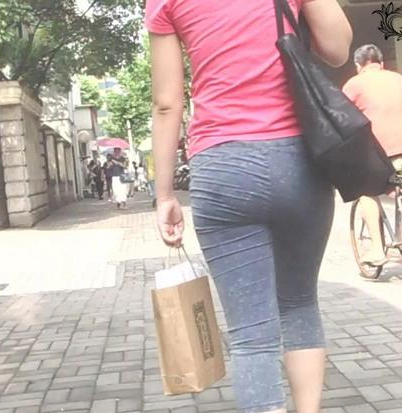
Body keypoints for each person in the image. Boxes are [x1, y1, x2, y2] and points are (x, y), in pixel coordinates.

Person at [146, 1, 352, 412]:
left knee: (251, 335)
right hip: (299, 163)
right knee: (299, 303)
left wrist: (165, 194)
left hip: (222, 170)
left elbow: (167, 102)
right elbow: (338, 48)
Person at [342, 44, 402, 267]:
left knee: (366, 191)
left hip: (381, 145)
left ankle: (377, 250)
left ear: (358, 65)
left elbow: (342, 117)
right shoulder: (399, 79)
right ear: (381, 63)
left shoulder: (354, 83)